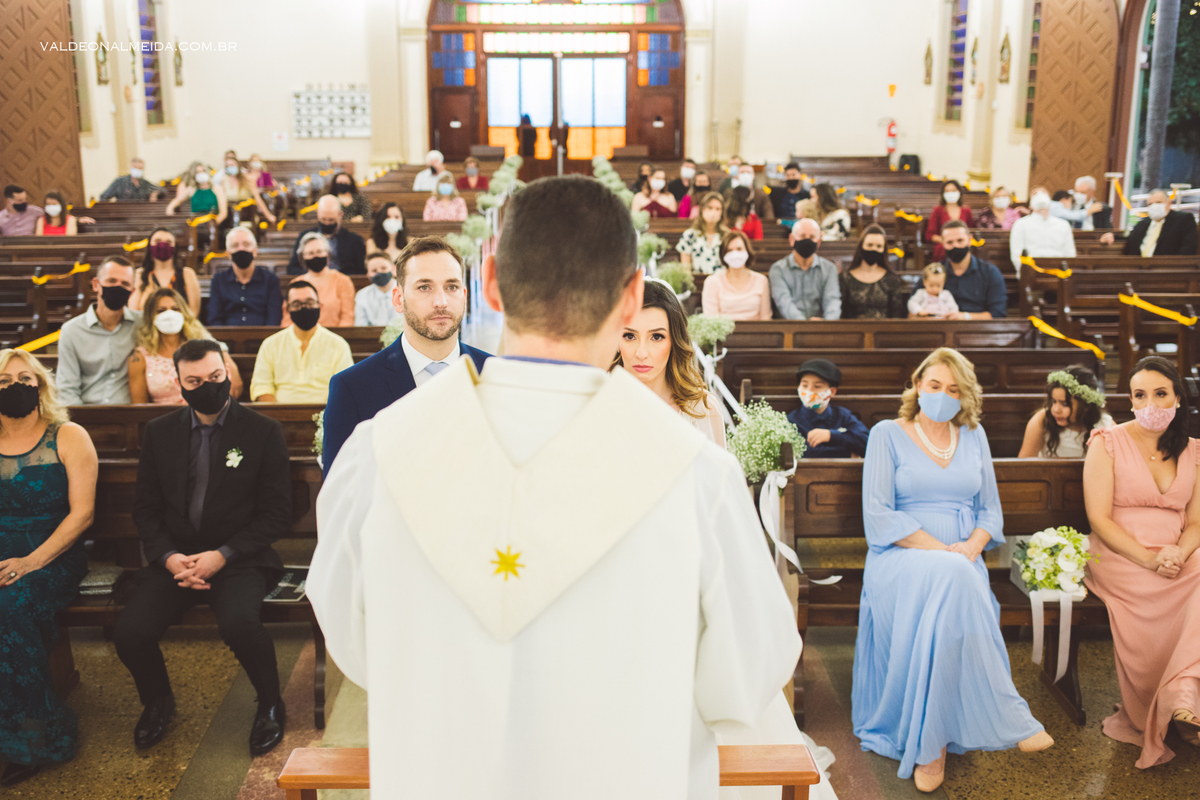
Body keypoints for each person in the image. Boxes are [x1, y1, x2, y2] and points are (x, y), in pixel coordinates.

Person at [307, 175, 802, 799]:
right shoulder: (696, 476)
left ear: (487, 284)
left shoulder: (377, 455)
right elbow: (746, 676)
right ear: (630, 299)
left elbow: (354, 639)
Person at [855, 347, 1053, 791]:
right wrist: (943, 552)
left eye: (954, 389)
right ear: (917, 385)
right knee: (956, 576)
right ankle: (1011, 716)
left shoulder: (975, 436)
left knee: (958, 581)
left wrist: (971, 546)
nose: (943, 395)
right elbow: (879, 515)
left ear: (965, 396)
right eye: (935, 385)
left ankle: (933, 746)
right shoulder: (887, 434)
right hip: (900, 558)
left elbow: (990, 513)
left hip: (963, 558)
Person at [114, 338, 290, 756]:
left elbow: (276, 514)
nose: (207, 386)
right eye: (195, 381)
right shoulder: (159, 433)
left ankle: (270, 702)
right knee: (130, 633)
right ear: (179, 383)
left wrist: (221, 555)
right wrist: (170, 557)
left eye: (214, 377)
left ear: (226, 372)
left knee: (239, 624)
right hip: (176, 559)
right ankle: (157, 700)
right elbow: (146, 509)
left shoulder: (263, 432)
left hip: (238, 557)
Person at [1083, 356, 1200, 768]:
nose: (1150, 402)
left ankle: (1184, 697)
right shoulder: (1107, 442)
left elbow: (1198, 521)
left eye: (1160, 393)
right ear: (1130, 400)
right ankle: (1174, 702)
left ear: (1178, 398)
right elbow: (1098, 517)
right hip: (1121, 554)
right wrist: (1150, 560)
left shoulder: (1195, 451)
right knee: (1161, 591)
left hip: (1177, 552)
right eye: (1140, 394)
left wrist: (1178, 553)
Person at [0, 350, 97, 787]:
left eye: (25, 379)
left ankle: (33, 734)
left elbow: (82, 515)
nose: (15, 387)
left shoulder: (68, 435)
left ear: (40, 386)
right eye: (4, 381)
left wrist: (30, 562)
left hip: (53, 553)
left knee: (11, 604)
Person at [322, 236, 491, 474]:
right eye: (424, 287)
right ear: (398, 299)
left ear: (464, 295)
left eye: (451, 287)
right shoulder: (353, 388)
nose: (441, 302)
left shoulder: (495, 374)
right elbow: (340, 497)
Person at [615, 275, 725, 441]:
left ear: (674, 341)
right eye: (630, 336)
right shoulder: (595, 405)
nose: (641, 353)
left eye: (657, 337)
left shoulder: (703, 409)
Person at [129, 287, 242, 404]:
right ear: (150, 316)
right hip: (163, 418)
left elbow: (229, 388)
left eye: (175, 309)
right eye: (161, 310)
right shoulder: (140, 357)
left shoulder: (200, 343)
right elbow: (140, 407)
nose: (169, 314)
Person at [251, 279, 354, 403]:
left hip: (325, 416)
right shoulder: (270, 344)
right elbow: (262, 386)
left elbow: (344, 389)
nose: (304, 308)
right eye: (296, 304)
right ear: (288, 309)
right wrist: (276, 416)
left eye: (310, 303)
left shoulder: (338, 345)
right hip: (278, 416)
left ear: (320, 306)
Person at [56, 256, 140, 405]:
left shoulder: (142, 324)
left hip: (130, 414)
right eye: (111, 281)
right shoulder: (72, 331)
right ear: (96, 284)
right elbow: (67, 390)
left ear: (131, 291)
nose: (117, 287)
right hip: (88, 414)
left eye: (125, 283)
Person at [1018, 366, 1112, 458]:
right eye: (1054, 401)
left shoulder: (1104, 424)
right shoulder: (1042, 420)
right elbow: (1024, 466)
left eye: (1065, 404)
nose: (1056, 410)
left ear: (1086, 405)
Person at [786, 359, 869, 459]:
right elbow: (800, 453)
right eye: (804, 385)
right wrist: (847, 454)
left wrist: (832, 436)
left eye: (817, 386)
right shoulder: (792, 420)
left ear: (832, 392)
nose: (809, 391)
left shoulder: (843, 416)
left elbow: (865, 441)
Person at [207, 226, 283, 327]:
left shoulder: (270, 280)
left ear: (255, 251)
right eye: (235, 245)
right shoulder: (218, 281)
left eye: (246, 244)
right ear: (228, 254)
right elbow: (214, 318)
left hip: (263, 338)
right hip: (227, 338)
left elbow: (274, 318)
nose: (241, 248)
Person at [769, 219, 841, 320]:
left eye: (812, 237)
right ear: (792, 239)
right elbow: (784, 303)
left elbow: (832, 301)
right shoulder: (778, 269)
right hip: (790, 330)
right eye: (802, 236)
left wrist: (827, 325)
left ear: (819, 241)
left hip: (822, 329)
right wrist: (806, 326)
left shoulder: (829, 269)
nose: (807, 240)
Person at [282, 233, 355, 327]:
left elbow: (347, 317)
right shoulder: (296, 284)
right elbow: (287, 319)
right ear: (303, 256)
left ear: (327, 253)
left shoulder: (343, 281)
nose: (315, 256)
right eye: (310, 253)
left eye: (319, 252)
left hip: (334, 337)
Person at [939, 221, 1006, 320]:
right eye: (949, 242)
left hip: (979, 331)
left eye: (960, 240)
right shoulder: (934, 271)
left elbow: (998, 314)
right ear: (943, 243)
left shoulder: (990, 272)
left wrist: (965, 317)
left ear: (969, 240)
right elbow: (912, 313)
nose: (955, 246)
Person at [838, 224, 907, 319]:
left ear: (883, 250)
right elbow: (841, 313)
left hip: (883, 332)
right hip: (853, 332)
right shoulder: (845, 279)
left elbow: (896, 315)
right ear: (861, 246)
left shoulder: (891, 279)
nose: (874, 249)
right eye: (870, 245)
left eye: (879, 246)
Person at [286, 195, 366, 275]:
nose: (327, 223)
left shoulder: (354, 241)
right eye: (323, 219)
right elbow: (293, 268)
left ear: (340, 215)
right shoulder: (305, 237)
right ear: (318, 214)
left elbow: (360, 271)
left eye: (331, 220)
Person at [131, 227, 203, 316]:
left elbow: (194, 312)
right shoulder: (141, 274)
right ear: (149, 247)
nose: (162, 245)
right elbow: (133, 310)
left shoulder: (187, 274)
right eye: (157, 242)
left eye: (168, 242)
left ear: (175, 247)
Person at [701, 231, 771, 321]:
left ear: (747, 251)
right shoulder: (712, 282)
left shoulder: (761, 280)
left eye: (739, 249)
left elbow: (765, 318)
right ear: (723, 254)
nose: (735, 254)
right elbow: (711, 320)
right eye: (729, 250)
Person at [1009, 186, 1076, 268]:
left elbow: (1070, 252)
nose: (1040, 197)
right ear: (1030, 204)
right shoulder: (1020, 224)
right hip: (1030, 271)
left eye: (1043, 194)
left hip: (1058, 272)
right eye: (1036, 195)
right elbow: (1016, 254)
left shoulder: (1063, 225)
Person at [1123, 188, 1200, 257]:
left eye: (1158, 202)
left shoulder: (1183, 220)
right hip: (1138, 268)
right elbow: (1129, 245)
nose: (1154, 206)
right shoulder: (1141, 224)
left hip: (1167, 269)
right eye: (1150, 204)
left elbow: (1188, 249)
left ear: (1169, 203)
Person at [676, 192, 728, 274]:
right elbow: (685, 268)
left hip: (720, 282)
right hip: (697, 280)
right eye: (710, 208)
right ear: (702, 209)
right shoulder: (690, 235)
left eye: (718, 209)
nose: (713, 212)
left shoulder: (726, 235)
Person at [1049, 176, 1114, 241]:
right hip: (1069, 239)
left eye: (1082, 192)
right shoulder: (1068, 205)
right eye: (1076, 191)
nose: (1078, 195)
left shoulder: (1101, 208)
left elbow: (1108, 230)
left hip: (1091, 241)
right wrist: (1088, 212)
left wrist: (1107, 236)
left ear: (1092, 193)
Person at [217, 154, 276, 225]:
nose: (231, 167)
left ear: (238, 165)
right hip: (229, 215)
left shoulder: (247, 179)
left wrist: (268, 215)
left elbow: (258, 199)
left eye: (233, 165)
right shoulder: (223, 180)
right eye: (228, 166)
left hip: (246, 215)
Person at [926, 179, 974, 262]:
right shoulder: (938, 211)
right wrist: (946, 241)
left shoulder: (966, 211)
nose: (950, 193)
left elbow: (971, 230)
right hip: (943, 244)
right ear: (943, 194)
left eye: (953, 191)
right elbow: (930, 235)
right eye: (947, 191)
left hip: (962, 242)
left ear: (959, 192)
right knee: (944, 248)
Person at [356, 253, 401, 326]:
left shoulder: (405, 291)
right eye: (374, 270)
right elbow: (360, 326)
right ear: (368, 275)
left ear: (393, 269)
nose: (379, 272)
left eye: (384, 268)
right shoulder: (362, 295)